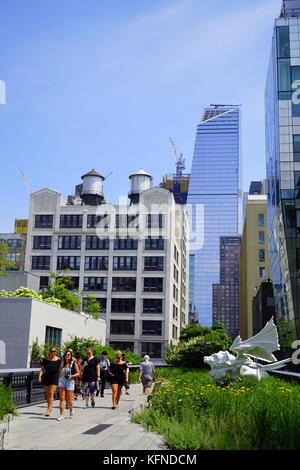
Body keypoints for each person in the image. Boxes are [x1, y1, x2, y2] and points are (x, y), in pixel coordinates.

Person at [38, 346, 60, 417]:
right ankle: (49, 406)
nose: (53, 352)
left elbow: (60, 370)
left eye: (54, 351)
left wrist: (60, 378)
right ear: (49, 352)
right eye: (52, 351)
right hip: (46, 377)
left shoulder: (58, 360)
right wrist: (39, 376)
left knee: (51, 393)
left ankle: (49, 409)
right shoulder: (45, 360)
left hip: (54, 377)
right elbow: (42, 369)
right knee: (47, 394)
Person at [57, 350, 80, 421]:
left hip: (70, 382)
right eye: (66, 354)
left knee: (68, 399)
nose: (67, 355)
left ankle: (71, 409)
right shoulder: (62, 363)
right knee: (62, 398)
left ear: (71, 356)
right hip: (62, 381)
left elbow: (78, 373)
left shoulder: (73, 363)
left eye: (69, 354)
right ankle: (61, 415)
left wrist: (71, 375)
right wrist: (58, 380)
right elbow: (59, 372)